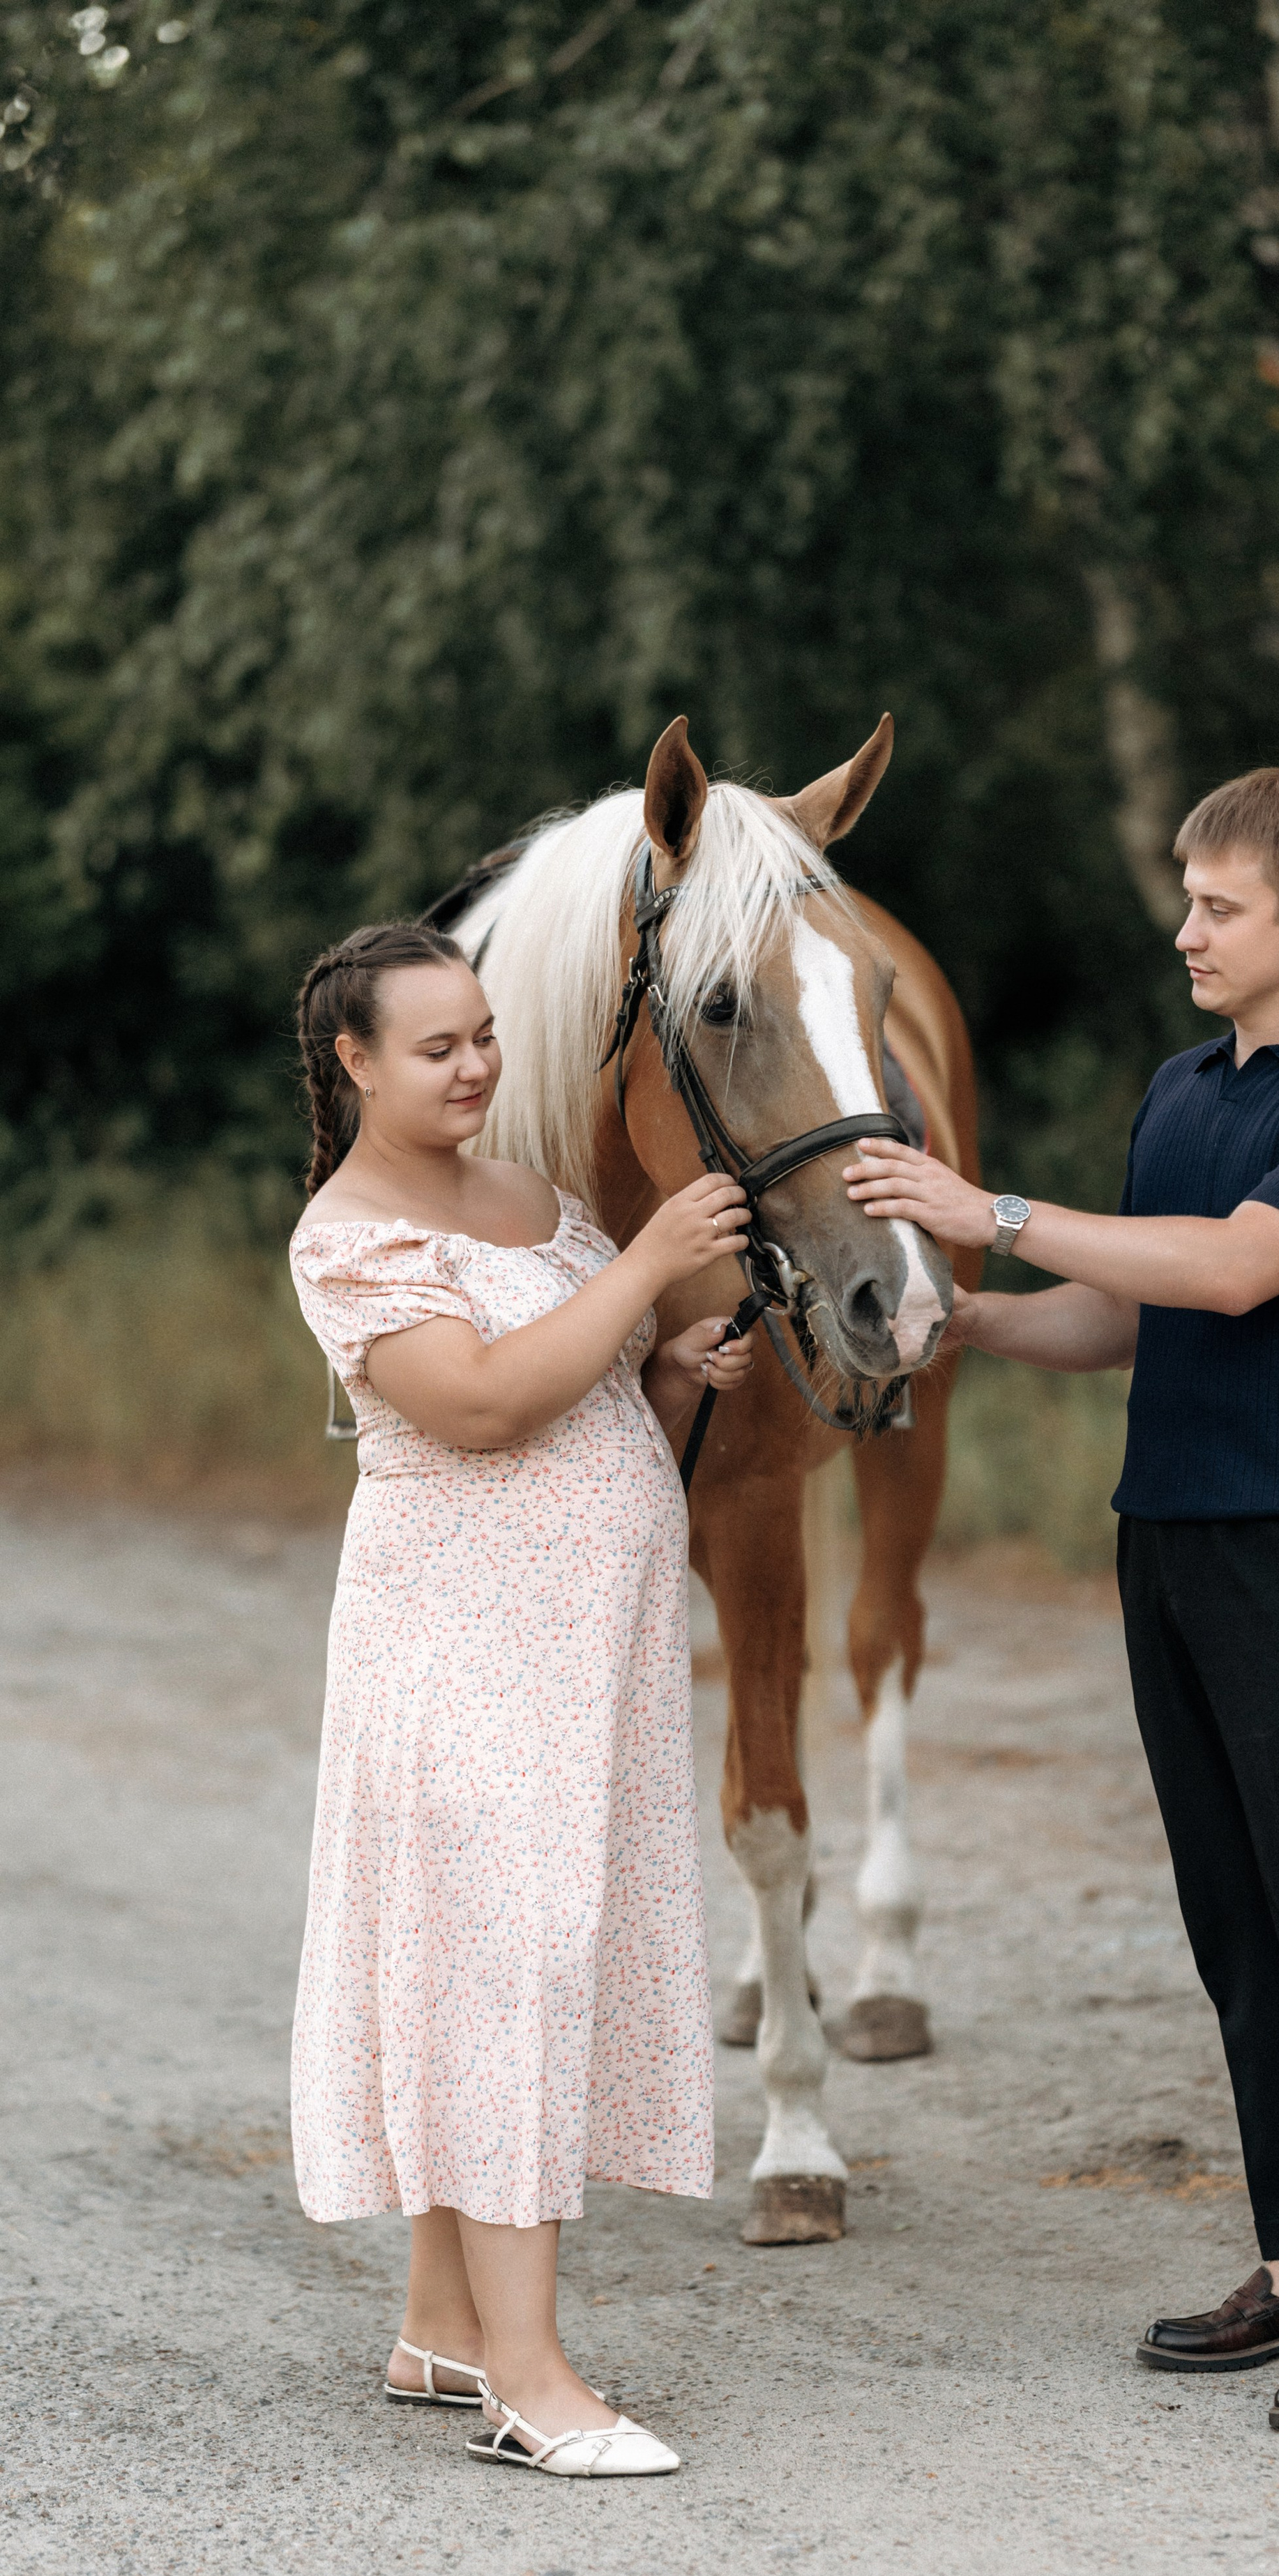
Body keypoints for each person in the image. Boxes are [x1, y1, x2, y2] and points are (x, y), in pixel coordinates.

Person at [845, 766, 1279, 2437]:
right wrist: (967, 1313)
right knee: (1235, 1921)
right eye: (1184, 897)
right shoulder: (1184, 1086)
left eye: (1219, 905)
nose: (1184, 928)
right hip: (1171, 1537)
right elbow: (1125, 1320)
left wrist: (996, 1212)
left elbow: (1236, 1268)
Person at [288, 920, 756, 2479]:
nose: (478, 1064)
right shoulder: (350, 1236)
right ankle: (528, 2383)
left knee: (506, 1961)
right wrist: (642, 1270)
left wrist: (676, 1360)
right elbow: (482, 1406)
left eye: (484, 1033)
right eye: (437, 1046)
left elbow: (589, 1397)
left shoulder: (533, 1200)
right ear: (353, 1062)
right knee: (503, 1977)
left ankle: (440, 2323)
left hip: (583, 1658)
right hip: (462, 1652)